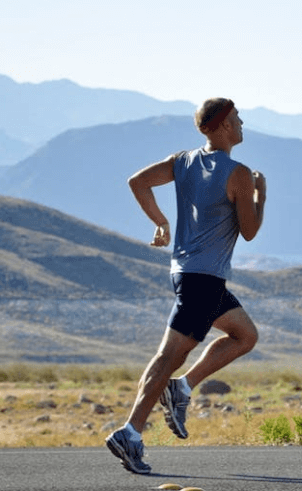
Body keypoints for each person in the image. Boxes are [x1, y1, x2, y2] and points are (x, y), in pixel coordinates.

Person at [106, 98, 266, 474]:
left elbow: (138, 181)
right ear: (224, 125)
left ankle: (182, 388)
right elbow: (250, 231)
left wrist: (160, 221)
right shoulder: (239, 174)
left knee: (245, 335)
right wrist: (261, 194)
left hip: (188, 273)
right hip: (204, 280)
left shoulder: (183, 160)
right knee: (168, 356)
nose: (242, 125)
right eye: (238, 120)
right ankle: (130, 432)